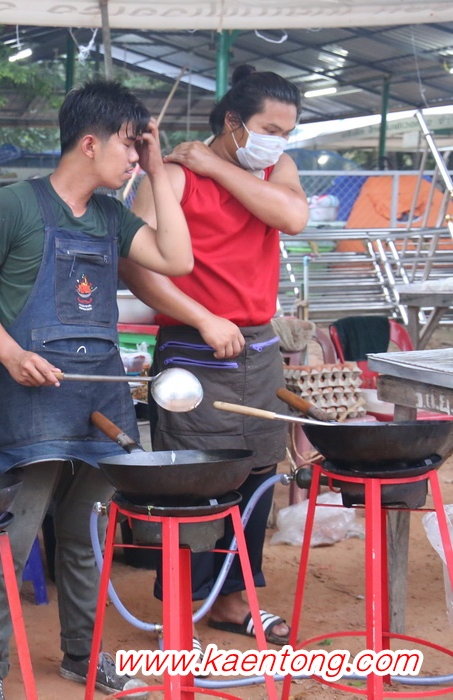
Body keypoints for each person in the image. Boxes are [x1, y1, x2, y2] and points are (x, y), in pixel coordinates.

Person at [0, 79, 193, 699]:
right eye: (129, 146)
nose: (134, 157)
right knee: (12, 541)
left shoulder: (112, 217)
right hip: (31, 395)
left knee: (86, 537)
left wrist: (158, 167)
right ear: (90, 143)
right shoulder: (13, 207)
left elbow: (178, 259)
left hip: (99, 398)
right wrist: (11, 353)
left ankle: (83, 657)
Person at [121, 64, 308, 651]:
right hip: (192, 349)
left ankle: (232, 599)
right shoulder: (174, 177)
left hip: (259, 347)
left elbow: (294, 218)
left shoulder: (274, 171)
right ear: (233, 122)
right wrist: (203, 317)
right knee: (191, 481)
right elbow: (135, 266)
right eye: (269, 129)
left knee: (257, 477)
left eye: (287, 132)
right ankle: (179, 610)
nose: (278, 142)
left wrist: (219, 166)